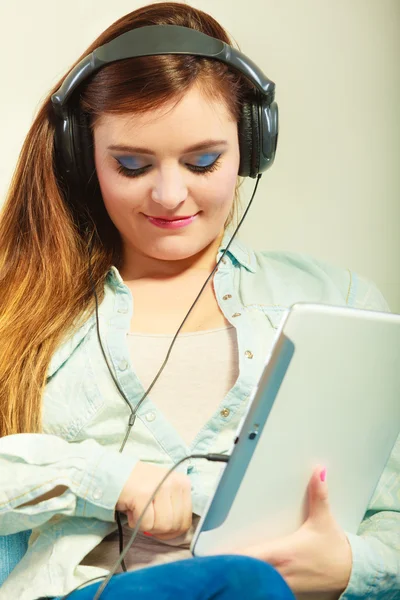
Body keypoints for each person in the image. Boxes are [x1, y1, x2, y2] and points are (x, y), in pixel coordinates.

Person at [0, 2, 398, 600]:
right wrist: (112, 478)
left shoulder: (335, 302)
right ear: (82, 156)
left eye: (203, 161)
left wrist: (349, 566)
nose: (169, 194)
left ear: (252, 147)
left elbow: (389, 513)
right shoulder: (23, 311)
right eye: (131, 165)